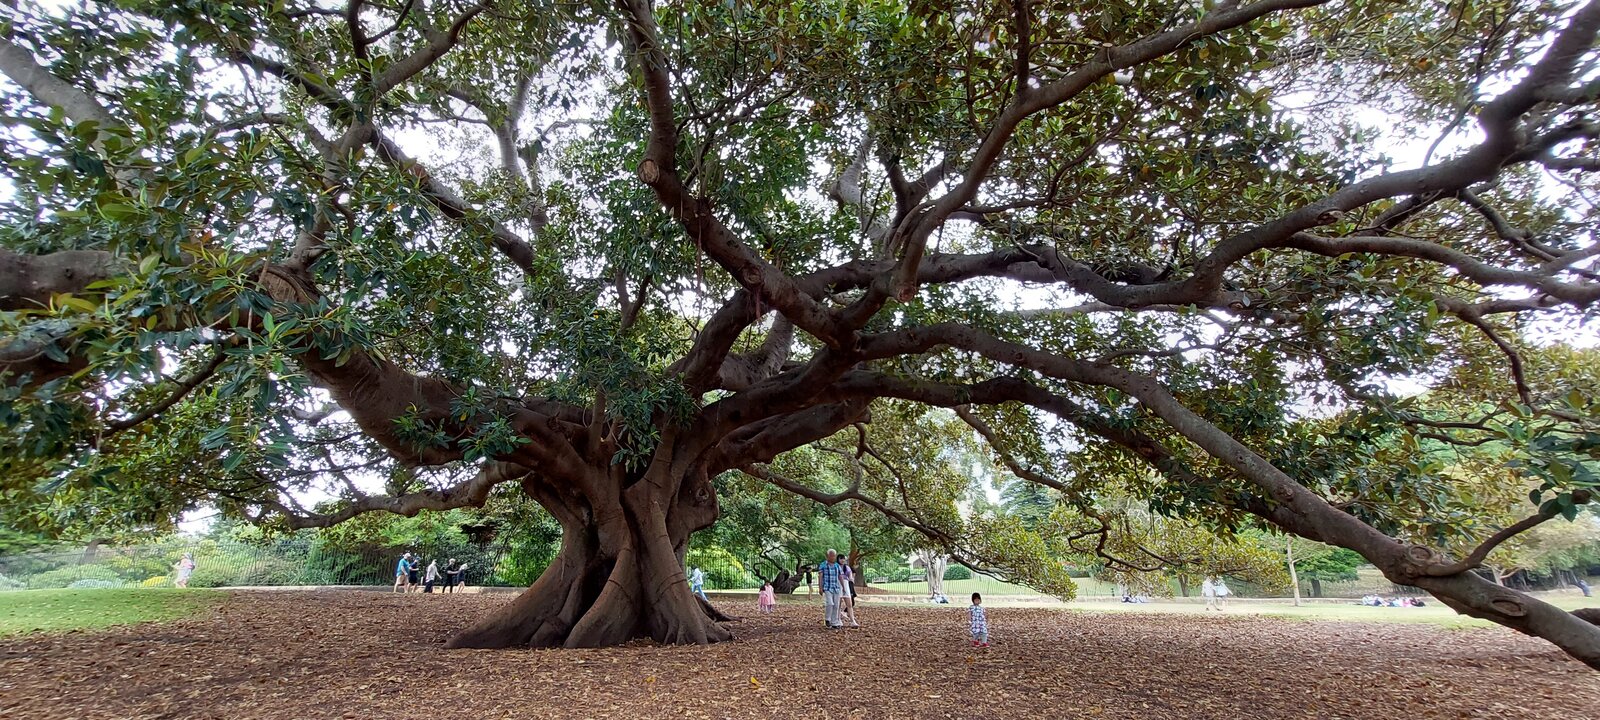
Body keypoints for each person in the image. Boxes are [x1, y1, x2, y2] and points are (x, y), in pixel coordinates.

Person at [817, 549, 844, 628]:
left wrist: (843, 586)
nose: (833, 557)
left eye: (834, 556)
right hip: (827, 587)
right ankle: (827, 619)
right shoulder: (823, 565)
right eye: (831, 556)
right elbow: (820, 576)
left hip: (835, 587)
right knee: (830, 603)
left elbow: (840, 576)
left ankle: (834, 622)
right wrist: (820, 588)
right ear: (827, 556)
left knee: (836, 605)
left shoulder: (837, 566)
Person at [839, 561, 860, 627]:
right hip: (838, 585)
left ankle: (852, 621)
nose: (842, 560)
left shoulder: (847, 568)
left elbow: (850, 575)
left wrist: (851, 578)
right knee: (838, 604)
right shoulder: (837, 567)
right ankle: (838, 619)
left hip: (846, 584)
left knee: (850, 603)